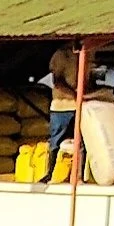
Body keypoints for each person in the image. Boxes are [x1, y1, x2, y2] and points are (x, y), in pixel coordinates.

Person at [40, 46, 81, 180]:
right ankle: (50, 174)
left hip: (80, 106)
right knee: (56, 143)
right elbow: (57, 81)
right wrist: (75, 94)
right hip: (61, 108)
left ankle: (77, 175)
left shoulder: (85, 54)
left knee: (79, 143)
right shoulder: (61, 55)